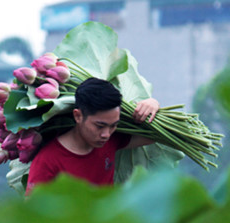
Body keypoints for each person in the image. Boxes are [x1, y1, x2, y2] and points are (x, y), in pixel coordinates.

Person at [25, 77, 159, 195]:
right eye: (99, 126)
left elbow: (153, 136)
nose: (106, 134)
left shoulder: (111, 141)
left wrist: (153, 104)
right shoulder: (47, 160)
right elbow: (31, 214)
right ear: (78, 116)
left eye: (113, 125)